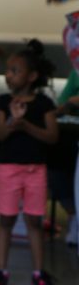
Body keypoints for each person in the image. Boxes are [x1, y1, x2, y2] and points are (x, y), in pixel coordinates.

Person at [0, 40, 58, 285]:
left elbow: (52, 136)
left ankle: (38, 272)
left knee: (34, 221)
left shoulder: (44, 105)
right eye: (8, 70)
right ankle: (0, 270)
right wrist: (11, 121)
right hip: (8, 170)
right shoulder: (1, 103)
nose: (9, 75)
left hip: (35, 170)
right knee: (5, 219)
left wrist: (25, 124)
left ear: (32, 76)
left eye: (15, 71)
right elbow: (0, 135)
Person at [49, 69, 79, 247]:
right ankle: (73, 216)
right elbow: (61, 105)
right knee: (55, 167)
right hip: (70, 134)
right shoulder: (76, 71)